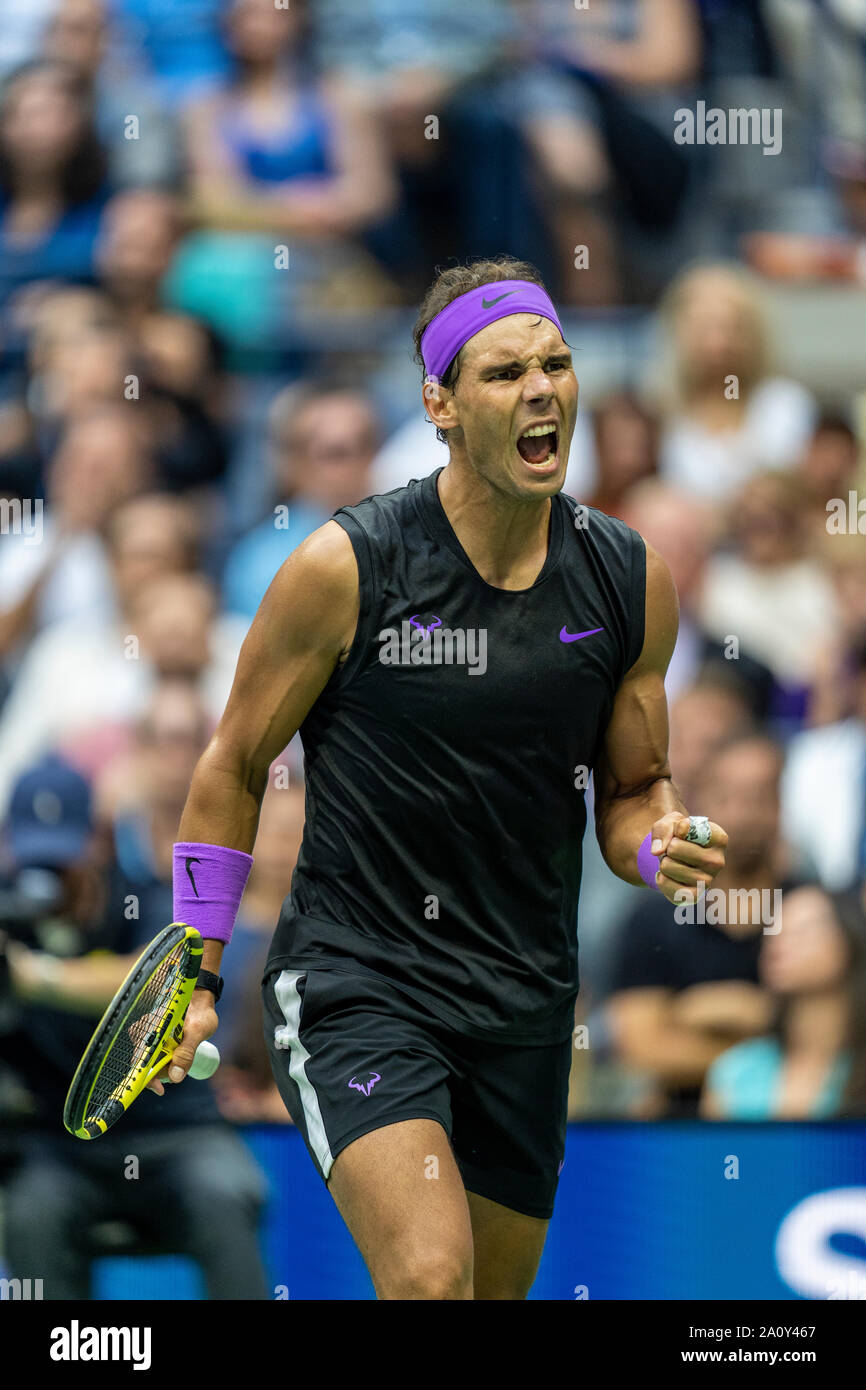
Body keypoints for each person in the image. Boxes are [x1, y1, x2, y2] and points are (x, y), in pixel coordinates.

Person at [160, 255, 728, 1301]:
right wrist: (193, 970)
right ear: (440, 403)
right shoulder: (346, 567)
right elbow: (233, 758)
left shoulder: (625, 575)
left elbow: (633, 788)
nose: (541, 390)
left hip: (522, 999)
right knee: (429, 1280)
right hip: (360, 983)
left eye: (554, 365)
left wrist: (655, 840)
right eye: (504, 373)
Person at [0, 757, 269, 1299]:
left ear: (97, 842)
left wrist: (28, 975)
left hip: (178, 1134)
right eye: (35, 859)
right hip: (61, 1145)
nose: (47, 879)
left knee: (226, 1190)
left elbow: (157, 973)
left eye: (61, 859)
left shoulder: (149, 900)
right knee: (28, 1210)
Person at [605, 734, 786, 1116]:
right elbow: (643, 1050)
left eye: (759, 797)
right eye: (727, 796)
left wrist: (693, 1014)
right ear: (698, 804)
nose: (743, 813)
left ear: (783, 803)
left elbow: (838, 1041)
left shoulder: (808, 906)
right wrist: (768, 1039)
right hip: (678, 1130)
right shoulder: (651, 917)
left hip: (793, 1122)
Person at [701, 885, 866, 1119]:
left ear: (851, 941)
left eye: (802, 931)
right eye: (774, 931)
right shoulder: (733, 1071)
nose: (779, 943)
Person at [223, 383, 380, 619]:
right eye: (336, 453)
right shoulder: (262, 563)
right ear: (293, 463)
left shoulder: (415, 533)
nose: (359, 463)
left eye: (367, 445)